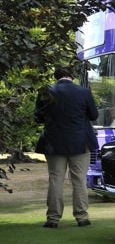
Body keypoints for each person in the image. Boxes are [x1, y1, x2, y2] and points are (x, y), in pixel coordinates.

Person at [34, 67, 99, 228]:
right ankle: (82, 217)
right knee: (79, 180)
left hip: (54, 143)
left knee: (56, 179)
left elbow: (38, 117)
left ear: (56, 76)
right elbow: (94, 115)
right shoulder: (83, 92)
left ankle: (53, 219)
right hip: (80, 142)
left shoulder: (46, 91)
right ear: (71, 75)